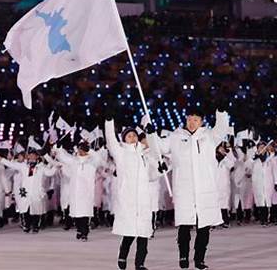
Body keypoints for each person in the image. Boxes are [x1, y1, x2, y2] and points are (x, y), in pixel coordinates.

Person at [146, 108, 229, 269]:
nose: (192, 123)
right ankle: (183, 257)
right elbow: (159, 148)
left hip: (204, 190)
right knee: (184, 227)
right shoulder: (175, 137)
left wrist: (220, 112)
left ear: (202, 122)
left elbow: (222, 128)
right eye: (190, 119)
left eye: (196, 120)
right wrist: (151, 134)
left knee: (203, 227)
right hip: (184, 190)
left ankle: (199, 259)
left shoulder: (208, 136)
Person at [106, 116, 158, 270]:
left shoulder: (145, 155)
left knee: (143, 234)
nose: (132, 137)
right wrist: (109, 122)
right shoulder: (120, 153)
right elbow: (110, 140)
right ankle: (123, 255)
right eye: (129, 136)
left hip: (143, 200)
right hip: (128, 199)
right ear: (124, 139)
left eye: (134, 135)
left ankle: (140, 263)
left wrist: (161, 171)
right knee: (129, 233)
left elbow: (151, 175)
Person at [54, 141, 104, 241]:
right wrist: (58, 148)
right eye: (80, 149)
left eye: (83, 149)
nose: (81, 151)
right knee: (76, 214)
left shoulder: (92, 162)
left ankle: (84, 233)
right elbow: (63, 158)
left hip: (86, 193)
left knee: (85, 214)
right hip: (75, 192)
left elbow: (99, 158)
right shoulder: (74, 161)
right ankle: (79, 230)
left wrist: (89, 150)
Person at [0, 148, 56, 233]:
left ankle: (36, 226)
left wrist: (55, 165)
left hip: (36, 191)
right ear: (28, 156)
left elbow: (50, 173)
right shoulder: (23, 166)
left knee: (36, 210)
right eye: (30, 155)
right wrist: (1, 159)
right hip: (25, 191)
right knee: (25, 209)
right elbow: (12, 165)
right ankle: (26, 225)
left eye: (34, 155)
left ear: (37, 157)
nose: (32, 157)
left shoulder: (41, 167)